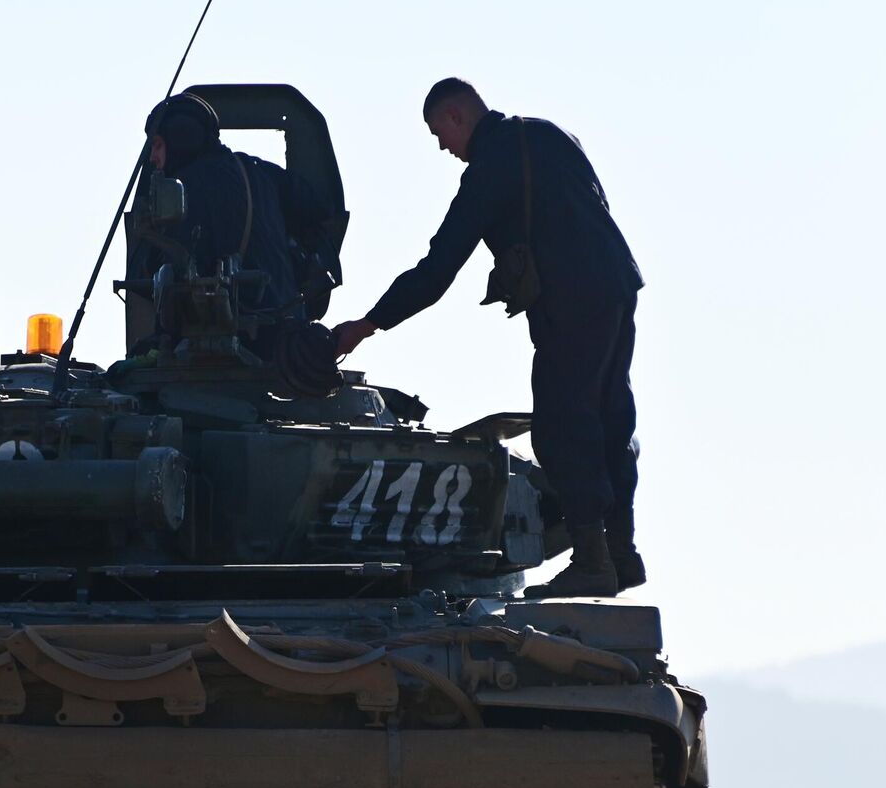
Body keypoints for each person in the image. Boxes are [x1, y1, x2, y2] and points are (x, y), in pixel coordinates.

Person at [331, 78, 645, 598]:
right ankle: (622, 553)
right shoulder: (551, 135)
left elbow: (437, 270)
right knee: (611, 416)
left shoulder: (488, 169)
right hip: (617, 286)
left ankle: (593, 560)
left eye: (440, 133)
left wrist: (368, 324)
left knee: (562, 425)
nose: (442, 147)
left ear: (456, 116)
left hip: (569, 302)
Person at [132, 93, 335, 328]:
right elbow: (321, 209)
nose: (153, 158)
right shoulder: (260, 171)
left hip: (233, 340)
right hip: (288, 333)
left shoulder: (184, 189)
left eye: (157, 145)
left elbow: (163, 278)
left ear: (180, 138)